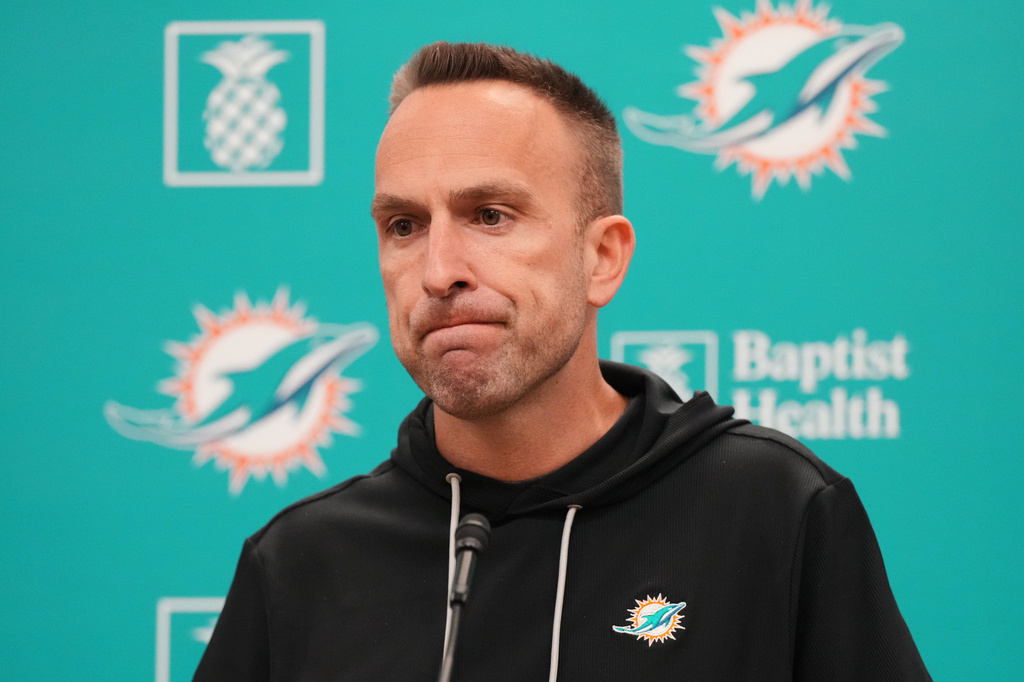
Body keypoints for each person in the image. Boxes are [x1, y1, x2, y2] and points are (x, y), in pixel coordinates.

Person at [194, 42, 931, 681]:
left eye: (490, 216)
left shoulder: (775, 510)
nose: (438, 271)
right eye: (404, 225)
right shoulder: (300, 563)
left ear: (602, 258)